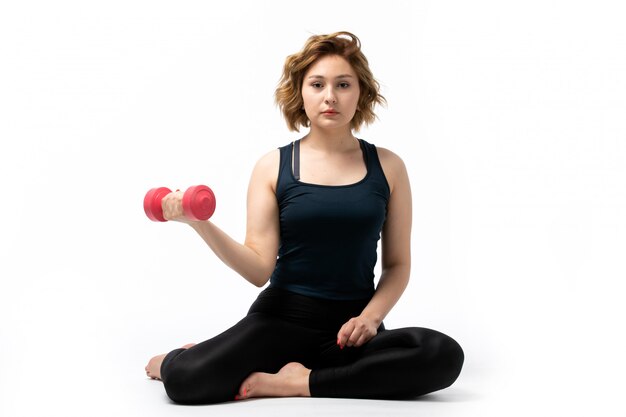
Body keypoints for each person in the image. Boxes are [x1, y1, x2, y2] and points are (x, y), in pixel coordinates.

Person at [145, 31, 464, 404]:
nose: (330, 96)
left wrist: (371, 319)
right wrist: (198, 222)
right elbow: (257, 270)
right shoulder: (273, 166)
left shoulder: (389, 167)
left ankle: (297, 381)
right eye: (318, 84)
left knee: (443, 355)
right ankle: (183, 356)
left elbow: (397, 265)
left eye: (343, 84)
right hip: (282, 319)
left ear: (360, 92)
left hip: (352, 330)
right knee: (186, 381)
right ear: (302, 92)